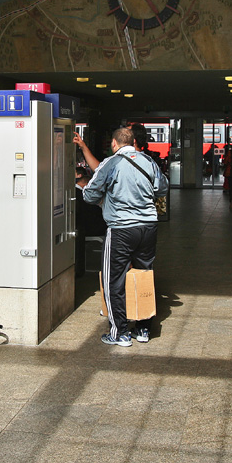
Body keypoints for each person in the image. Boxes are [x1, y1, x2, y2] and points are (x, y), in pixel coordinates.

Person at [83, 127, 169, 346]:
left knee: (114, 279)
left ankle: (119, 332)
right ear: (133, 142)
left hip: (121, 229)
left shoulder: (111, 163)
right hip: (148, 227)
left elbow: (89, 193)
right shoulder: (150, 163)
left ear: (114, 143)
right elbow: (162, 189)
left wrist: (106, 198)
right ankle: (143, 330)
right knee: (143, 274)